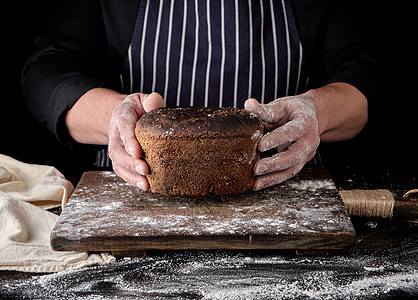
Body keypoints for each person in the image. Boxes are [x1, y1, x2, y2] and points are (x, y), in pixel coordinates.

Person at [21, 0, 383, 191]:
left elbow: (368, 76)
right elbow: (47, 72)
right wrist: (115, 114)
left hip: (284, 196)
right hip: (137, 200)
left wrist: (317, 109)